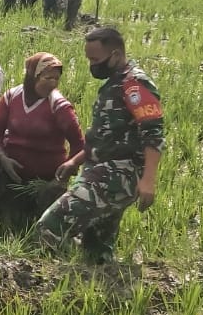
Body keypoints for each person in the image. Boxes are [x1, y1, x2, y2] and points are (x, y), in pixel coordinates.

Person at [36, 27, 165, 265]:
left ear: (115, 55)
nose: (92, 65)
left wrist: (148, 180)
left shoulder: (134, 85)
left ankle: (54, 278)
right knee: (96, 248)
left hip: (118, 174)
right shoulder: (114, 83)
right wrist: (75, 161)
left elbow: (153, 133)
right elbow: (105, 136)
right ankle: (100, 281)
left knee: (51, 225)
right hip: (103, 170)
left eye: (95, 60)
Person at [0, 52, 85, 232]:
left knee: (42, 228)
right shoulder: (12, 97)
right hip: (12, 175)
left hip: (46, 182)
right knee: (7, 224)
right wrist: (1, 157)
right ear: (33, 76)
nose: (53, 83)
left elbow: (79, 145)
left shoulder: (59, 106)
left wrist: (63, 176)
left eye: (56, 79)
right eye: (47, 78)